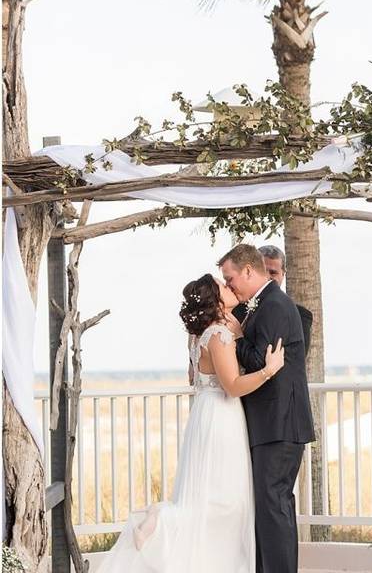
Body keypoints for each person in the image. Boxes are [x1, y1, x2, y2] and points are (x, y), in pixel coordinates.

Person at [97, 274, 285, 572]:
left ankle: (177, 530)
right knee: (226, 502)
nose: (229, 287)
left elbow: (194, 377)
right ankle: (162, 520)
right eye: (223, 286)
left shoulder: (199, 335)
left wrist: (236, 334)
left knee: (206, 494)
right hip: (222, 418)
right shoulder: (218, 335)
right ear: (217, 299)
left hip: (205, 413)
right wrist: (269, 371)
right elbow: (233, 386)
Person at [219, 244, 316, 573]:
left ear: (248, 271)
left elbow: (261, 360)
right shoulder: (262, 304)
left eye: (230, 279)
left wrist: (235, 335)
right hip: (272, 424)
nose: (230, 286)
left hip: (280, 424)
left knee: (273, 511)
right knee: (271, 509)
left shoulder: (273, 305)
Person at [232, 245, 314, 356]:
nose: (267, 277)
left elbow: (296, 359)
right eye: (263, 271)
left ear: (283, 274)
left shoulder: (301, 315)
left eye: (273, 273)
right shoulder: (235, 310)